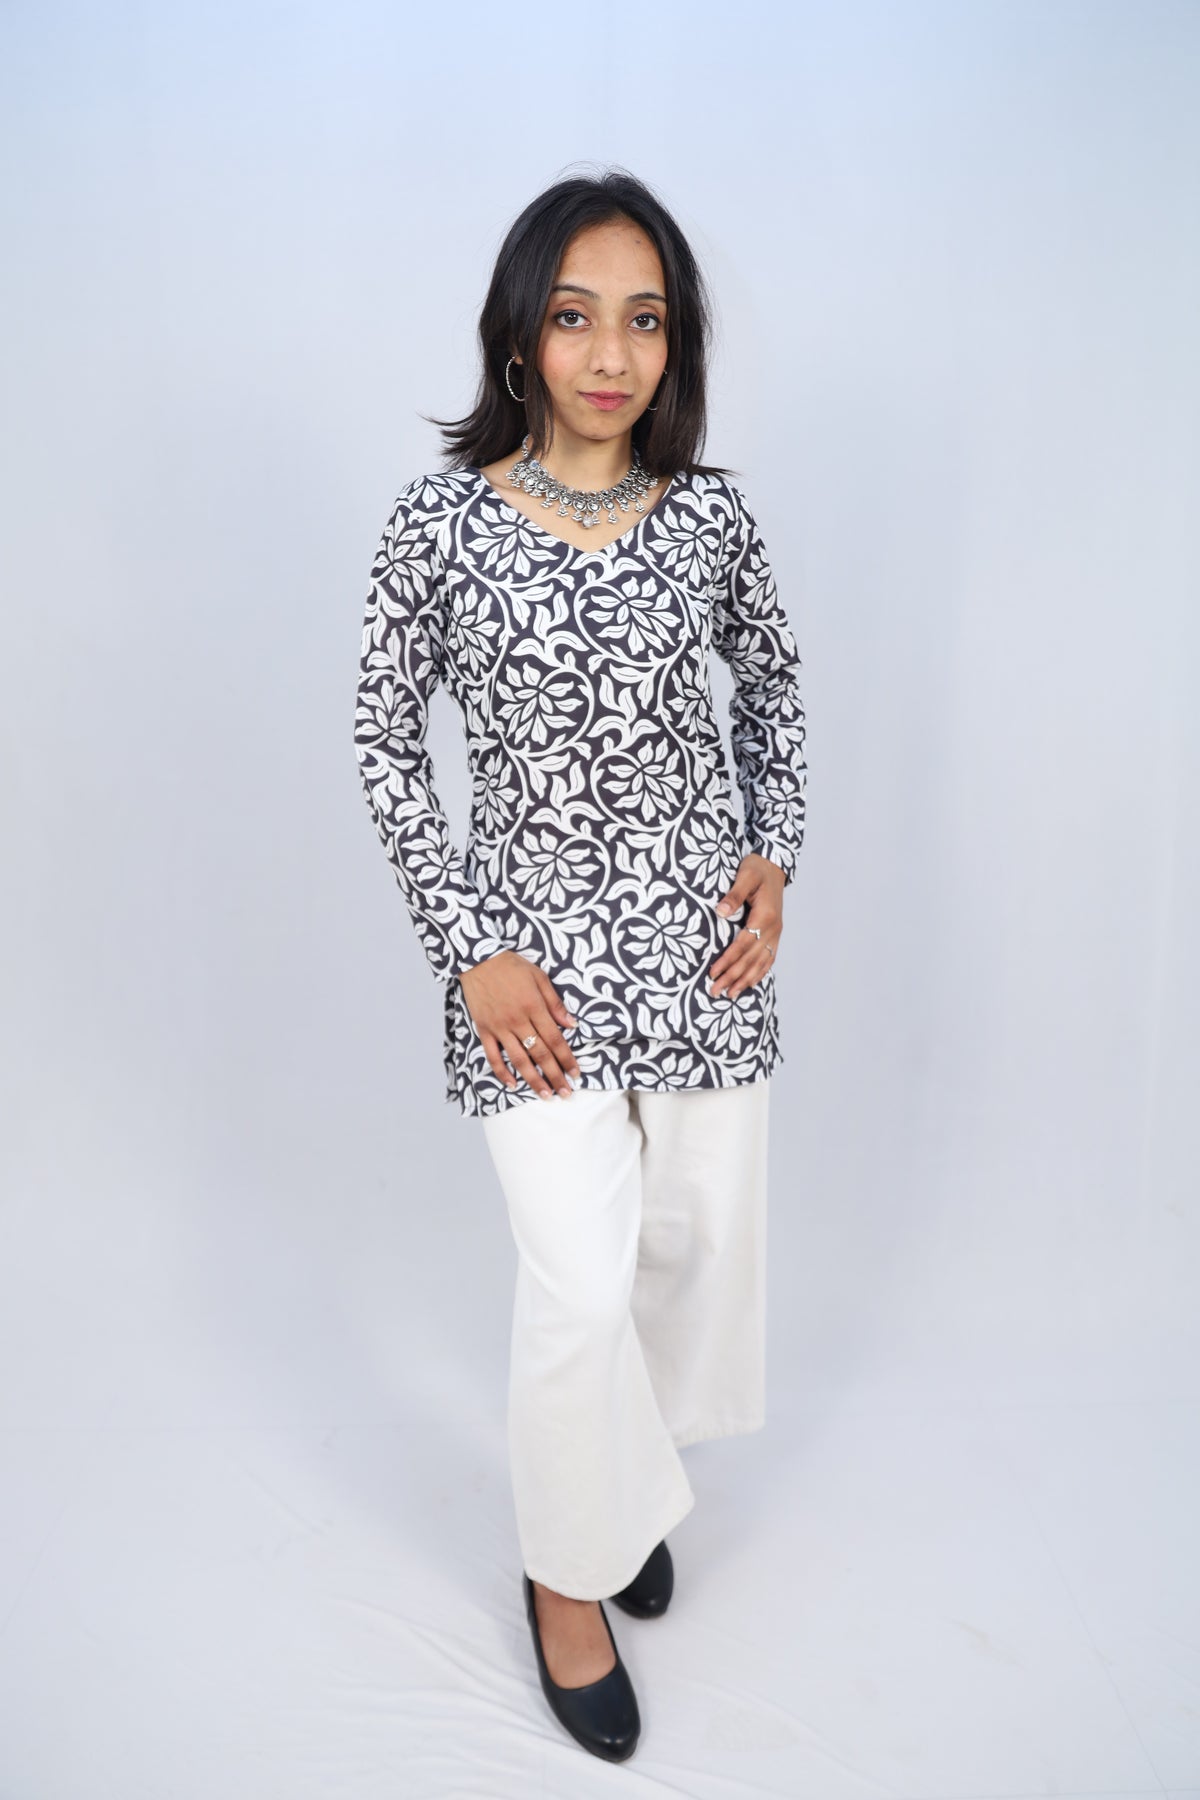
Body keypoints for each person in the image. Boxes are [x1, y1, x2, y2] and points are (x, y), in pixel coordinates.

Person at [353, 168, 807, 1764]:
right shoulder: (440, 522)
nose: (610, 353)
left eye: (644, 320)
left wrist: (775, 855)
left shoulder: (711, 518)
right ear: (519, 334)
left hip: (700, 961)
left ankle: (623, 1489)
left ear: (675, 346)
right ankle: (567, 1575)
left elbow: (772, 688)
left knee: (686, 1254)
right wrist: (468, 947)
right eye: (574, 315)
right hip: (529, 981)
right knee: (577, 1278)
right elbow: (385, 744)